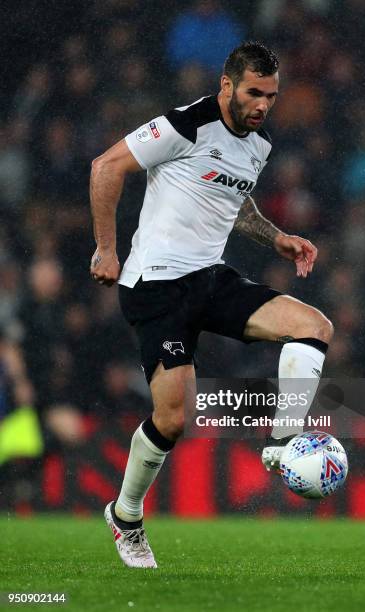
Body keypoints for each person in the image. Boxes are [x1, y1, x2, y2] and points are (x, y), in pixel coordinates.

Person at [89, 41, 333, 568]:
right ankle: (125, 515)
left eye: (271, 95)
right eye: (253, 93)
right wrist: (107, 249)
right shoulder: (186, 123)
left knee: (313, 326)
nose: (263, 104)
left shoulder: (258, 144)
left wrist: (276, 238)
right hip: (156, 285)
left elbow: (232, 196)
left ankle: (285, 441)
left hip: (210, 278)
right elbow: (106, 166)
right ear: (227, 85)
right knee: (173, 419)